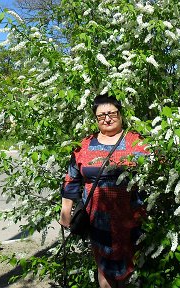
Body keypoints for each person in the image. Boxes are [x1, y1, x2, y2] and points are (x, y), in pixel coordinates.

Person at [59, 94, 148, 288]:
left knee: (128, 272)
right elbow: (71, 179)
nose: (107, 119)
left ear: (120, 114)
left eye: (111, 113)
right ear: (96, 119)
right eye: (101, 116)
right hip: (97, 220)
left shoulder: (137, 142)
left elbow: (159, 170)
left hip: (131, 218)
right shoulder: (84, 145)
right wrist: (66, 212)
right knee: (103, 271)